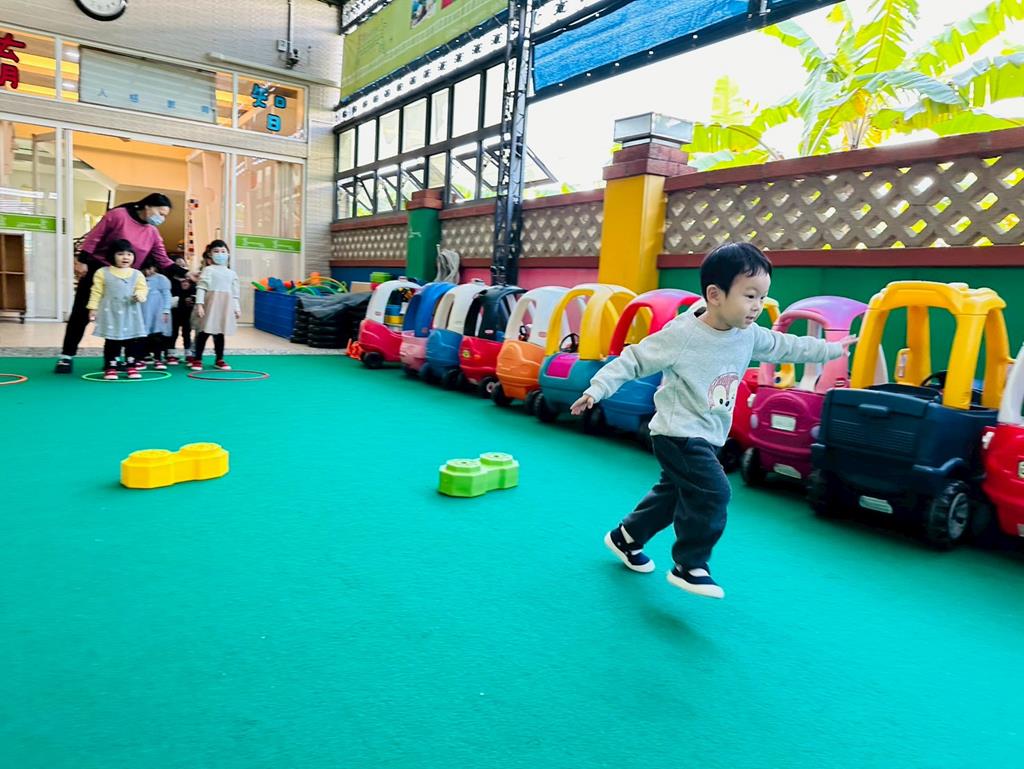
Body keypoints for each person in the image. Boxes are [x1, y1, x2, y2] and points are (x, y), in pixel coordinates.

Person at [570, 243, 857, 600]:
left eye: (762, 296)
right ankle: (690, 565)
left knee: (675, 493)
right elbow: (635, 359)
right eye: (750, 296)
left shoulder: (747, 334)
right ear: (715, 295)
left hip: (708, 435)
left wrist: (831, 349)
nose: (757, 306)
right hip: (677, 432)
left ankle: (625, 537)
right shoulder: (682, 335)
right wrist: (597, 388)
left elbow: (786, 346)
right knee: (713, 492)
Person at [56, 193, 188, 374]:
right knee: (82, 312)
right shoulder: (119, 215)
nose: (162, 218)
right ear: (147, 206)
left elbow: (163, 260)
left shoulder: (152, 232)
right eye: (160, 213)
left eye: (165, 215)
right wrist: (82, 260)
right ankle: (66, 356)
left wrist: (187, 274)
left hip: (127, 278)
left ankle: (113, 359)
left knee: (123, 317)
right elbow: (94, 237)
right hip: (99, 270)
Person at [86, 240, 149, 381]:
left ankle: (131, 366)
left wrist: (140, 295)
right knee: (112, 341)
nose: (125, 257)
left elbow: (142, 289)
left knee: (132, 340)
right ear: (112, 255)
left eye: (129, 254)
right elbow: (96, 291)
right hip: (111, 313)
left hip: (130, 313)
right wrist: (93, 308)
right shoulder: (102, 272)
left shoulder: (137, 274)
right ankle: (111, 367)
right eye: (120, 254)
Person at [191, 239, 240, 372]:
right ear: (210, 254)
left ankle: (219, 359)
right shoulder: (208, 270)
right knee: (204, 332)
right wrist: (199, 304)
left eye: (223, 251)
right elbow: (201, 288)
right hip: (210, 305)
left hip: (224, 306)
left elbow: (235, 294)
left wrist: (236, 308)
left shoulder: (232, 273)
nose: (220, 254)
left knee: (219, 333)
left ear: (228, 254)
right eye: (216, 251)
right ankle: (197, 359)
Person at [140, 259, 173, 370]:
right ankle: (142, 357)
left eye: (150, 268)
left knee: (157, 335)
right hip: (143, 312)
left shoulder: (161, 279)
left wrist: (166, 310)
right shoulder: (139, 278)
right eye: (145, 269)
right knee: (142, 335)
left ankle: (158, 358)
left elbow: (167, 295)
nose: (148, 271)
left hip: (158, 312)